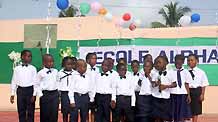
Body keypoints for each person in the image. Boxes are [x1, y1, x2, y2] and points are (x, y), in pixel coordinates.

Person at [10, 50, 37, 122]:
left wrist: (34, 94)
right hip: (20, 91)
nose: (30, 58)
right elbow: (14, 81)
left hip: (30, 91)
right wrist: (12, 94)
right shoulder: (16, 69)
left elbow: (35, 82)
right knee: (21, 110)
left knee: (31, 111)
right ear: (22, 57)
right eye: (28, 56)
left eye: (30, 56)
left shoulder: (33, 69)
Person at [151, 56, 177, 122]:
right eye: (156, 63)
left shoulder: (171, 73)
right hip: (156, 97)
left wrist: (166, 86)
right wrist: (156, 84)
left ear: (165, 63)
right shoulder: (155, 73)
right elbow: (153, 84)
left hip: (166, 98)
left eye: (159, 62)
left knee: (166, 117)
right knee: (156, 117)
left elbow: (175, 84)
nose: (157, 64)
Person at [36, 54, 59, 122]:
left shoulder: (56, 71)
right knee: (45, 113)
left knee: (54, 113)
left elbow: (58, 82)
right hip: (45, 94)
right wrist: (41, 95)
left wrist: (58, 93)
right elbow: (36, 84)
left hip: (55, 94)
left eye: (52, 61)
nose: (51, 63)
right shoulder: (40, 73)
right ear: (44, 63)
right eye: (49, 61)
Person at [187, 54, 209, 122]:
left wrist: (202, 94)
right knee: (187, 109)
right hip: (187, 91)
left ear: (196, 61)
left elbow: (204, 84)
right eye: (188, 60)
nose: (190, 62)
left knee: (195, 110)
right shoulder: (185, 72)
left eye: (192, 60)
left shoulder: (201, 72)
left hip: (197, 91)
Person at [170, 54, 192, 122]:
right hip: (173, 94)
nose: (178, 63)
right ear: (174, 61)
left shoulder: (186, 72)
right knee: (174, 112)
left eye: (180, 61)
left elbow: (186, 84)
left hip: (183, 94)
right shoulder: (171, 71)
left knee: (182, 114)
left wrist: (188, 95)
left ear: (183, 62)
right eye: (176, 61)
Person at [58, 56, 77, 122]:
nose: (70, 66)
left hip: (73, 94)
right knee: (65, 112)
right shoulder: (60, 73)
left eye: (71, 64)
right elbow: (58, 83)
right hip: (64, 94)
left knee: (73, 111)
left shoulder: (75, 73)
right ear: (63, 64)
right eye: (68, 64)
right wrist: (59, 95)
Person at [86, 52, 99, 122]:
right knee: (86, 112)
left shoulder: (97, 69)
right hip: (87, 94)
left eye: (96, 58)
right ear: (88, 60)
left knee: (94, 112)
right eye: (93, 58)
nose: (95, 60)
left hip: (95, 93)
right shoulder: (84, 69)